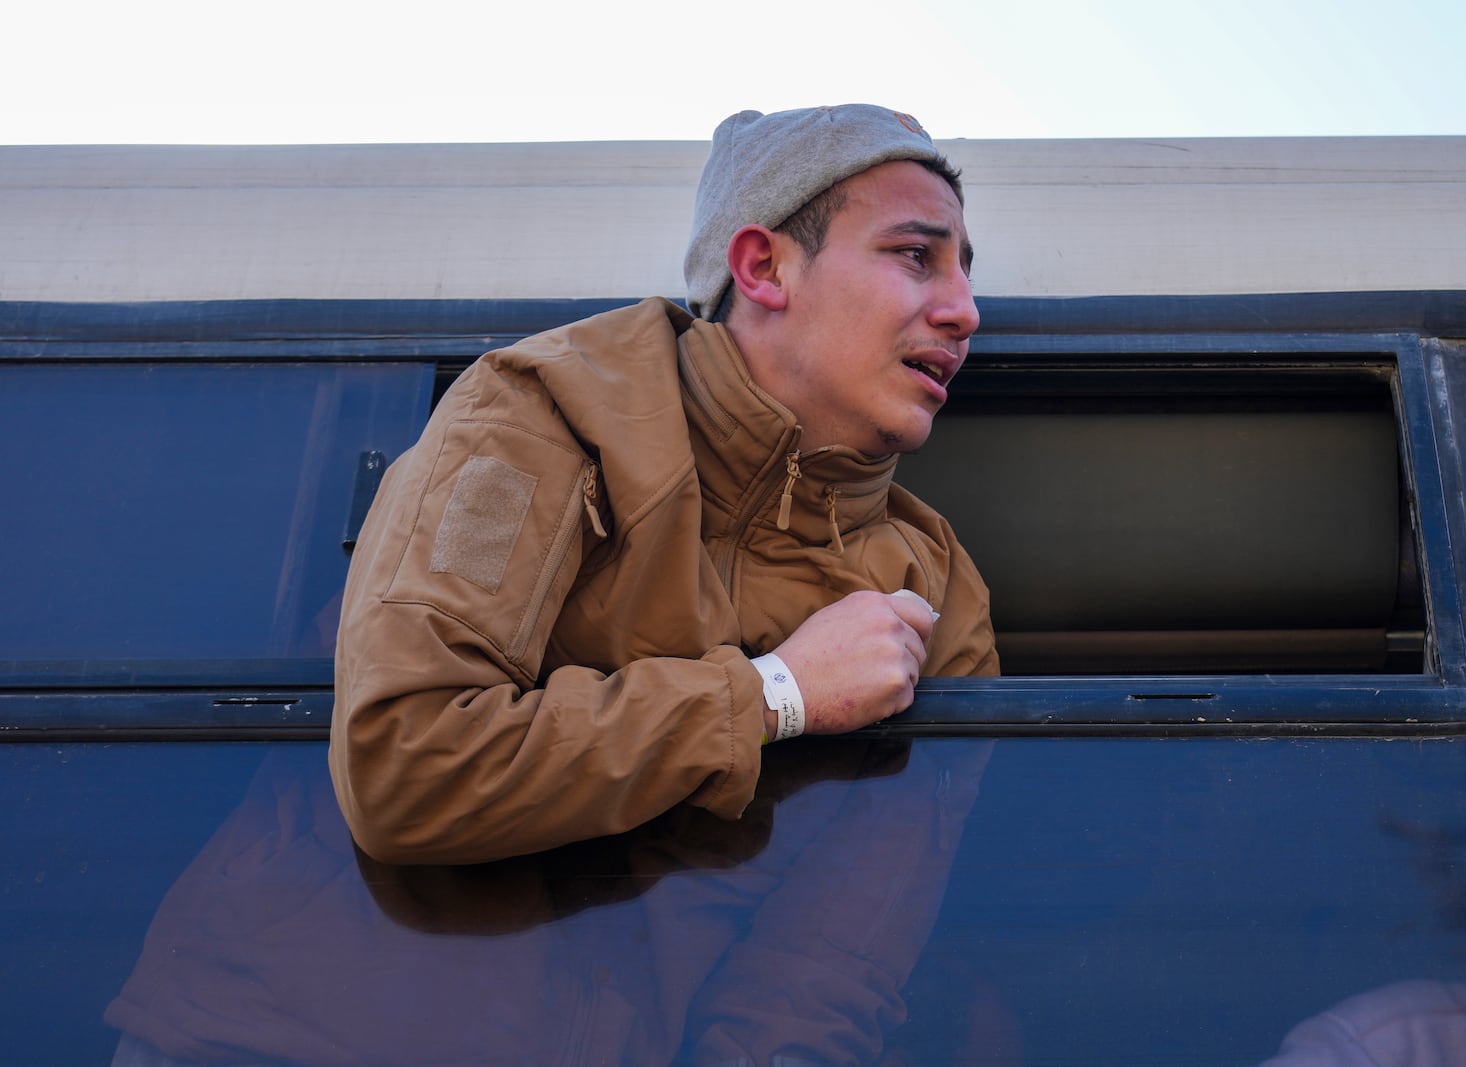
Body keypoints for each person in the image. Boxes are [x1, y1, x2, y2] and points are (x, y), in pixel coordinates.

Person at [330, 104, 999, 866]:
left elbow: (847, 943)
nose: (965, 311)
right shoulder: (538, 413)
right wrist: (775, 694)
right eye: (916, 255)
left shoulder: (941, 587)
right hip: (320, 980)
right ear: (762, 267)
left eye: (964, 271)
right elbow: (407, 765)